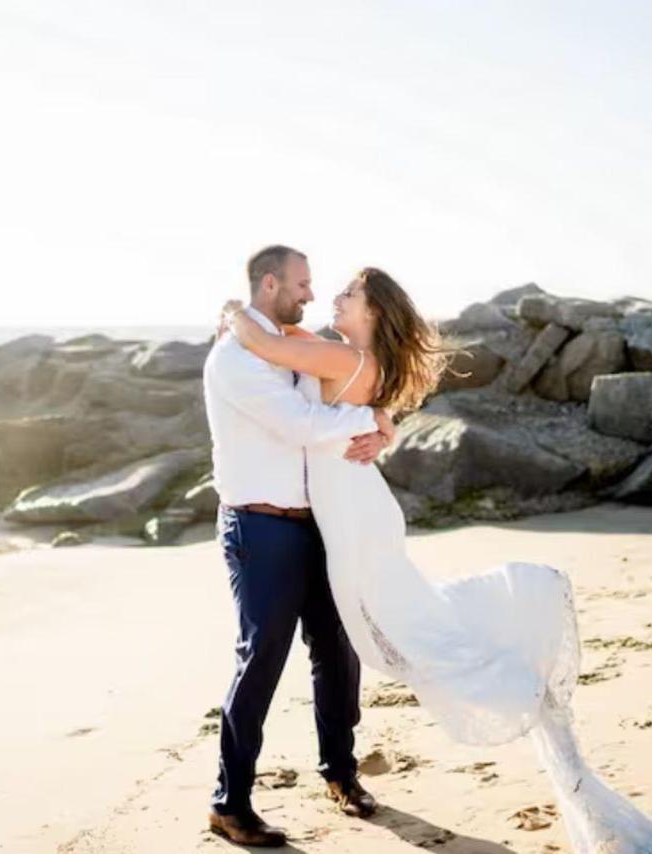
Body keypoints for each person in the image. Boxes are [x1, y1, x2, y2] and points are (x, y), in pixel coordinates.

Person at [217, 262, 652, 853]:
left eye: (348, 294)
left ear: (373, 312)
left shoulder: (344, 360)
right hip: (345, 514)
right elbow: (293, 351)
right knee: (386, 622)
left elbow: (268, 343)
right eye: (329, 289)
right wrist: (378, 418)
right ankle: (280, 783)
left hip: (352, 517)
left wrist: (232, 313)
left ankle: (480, 684)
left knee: (389, 628)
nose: (331, 298)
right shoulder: (340, 354)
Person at [202, 245, 395, 847]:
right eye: (303, 284)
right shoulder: (234, 358)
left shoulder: (291, 343)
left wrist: (383, 416)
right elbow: (301, 425)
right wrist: (371, 425)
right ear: (269, 283)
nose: (311, 295)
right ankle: (229, 802)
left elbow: (346, 389)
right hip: (259, 528)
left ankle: (341, 773)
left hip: (318, 523)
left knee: (338, 650)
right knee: (261, 657)